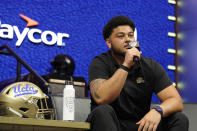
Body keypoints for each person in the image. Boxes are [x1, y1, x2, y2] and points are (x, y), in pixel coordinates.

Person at [86, 16, 189, 131]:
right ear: (109, 43)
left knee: (178, 118)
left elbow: (176, 101)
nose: (128, 40)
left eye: (130, 35)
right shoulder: (100, 63)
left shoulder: (149, 65)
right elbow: (101, 98)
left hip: (140, 125)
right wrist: (125, 65)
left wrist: (158, 111)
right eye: (121, 36)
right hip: (111, 123)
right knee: (102, 111)